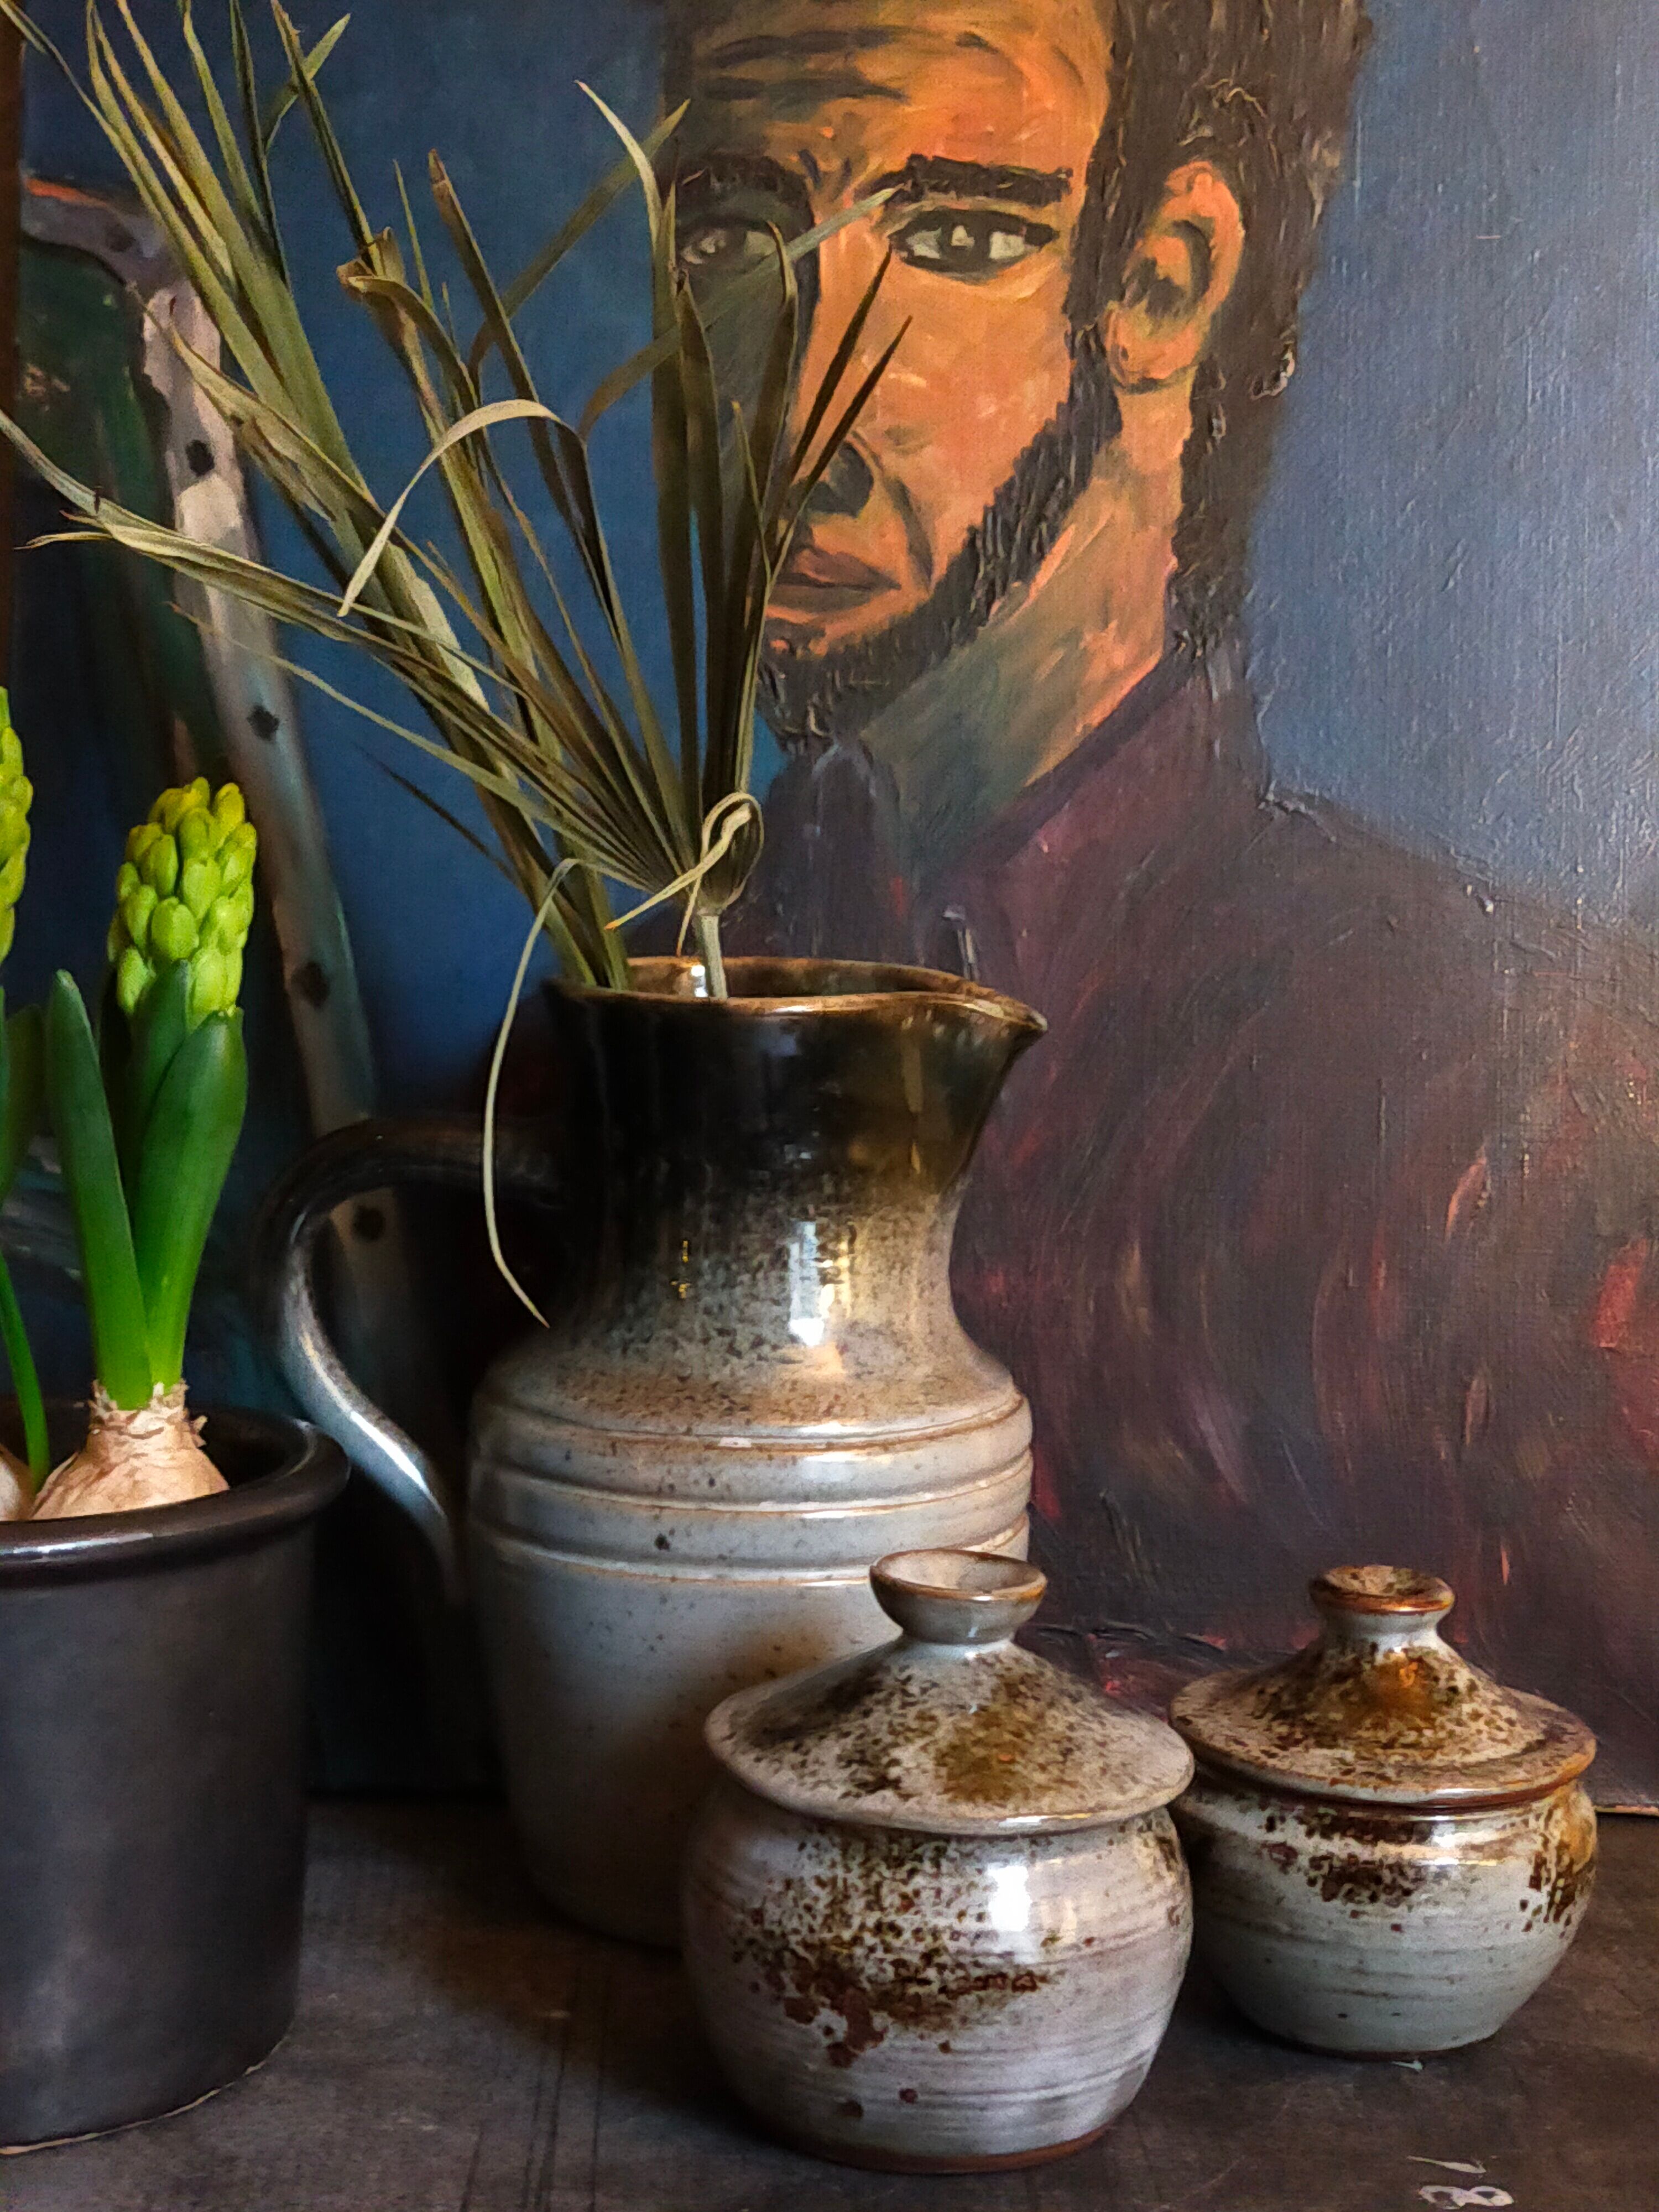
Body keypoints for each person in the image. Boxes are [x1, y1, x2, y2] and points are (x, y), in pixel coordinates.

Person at [658, 0, 1659, 1798]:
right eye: (734, 231)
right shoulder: (668, 1006)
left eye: (955, 236)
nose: (790, 394)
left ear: (1170, 275)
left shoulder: (1519, 1121)